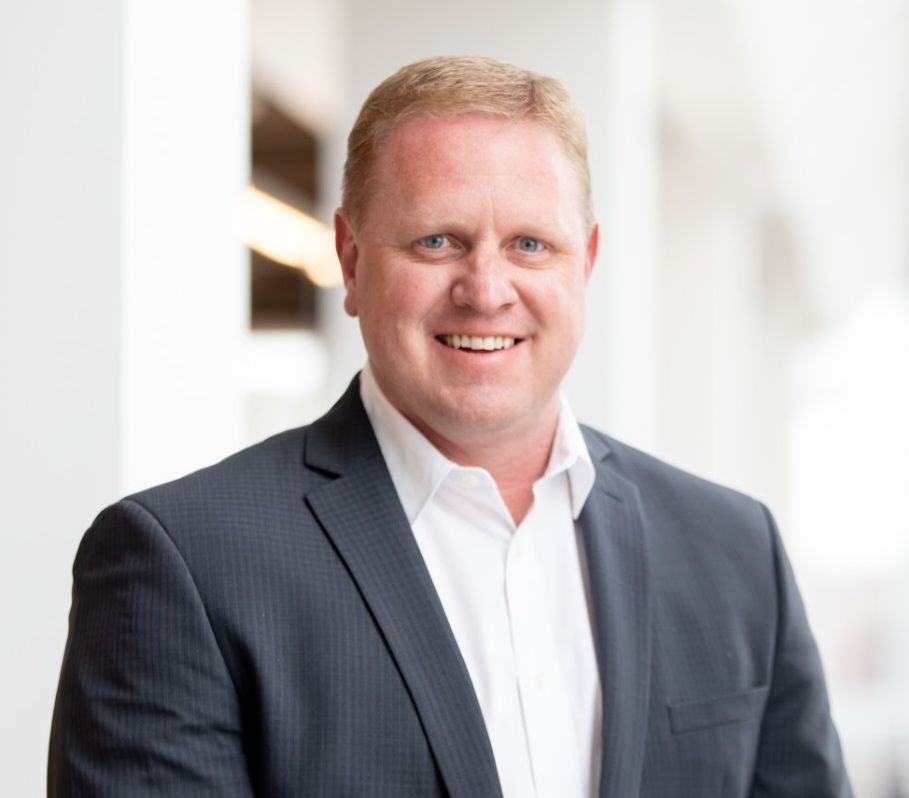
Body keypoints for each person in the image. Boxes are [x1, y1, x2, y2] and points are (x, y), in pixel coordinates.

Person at [48, 56, 852, 797]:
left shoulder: (733, 551)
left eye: (530, 244)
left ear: (587, 263)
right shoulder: (184, 561)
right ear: (352, 260)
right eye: (438, 241)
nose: (486, 288)